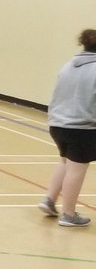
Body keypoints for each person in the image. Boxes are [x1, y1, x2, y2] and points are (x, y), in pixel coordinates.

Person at [41, 28, 96, 228]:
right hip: (82, 128)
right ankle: (69, 214)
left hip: (58, 125)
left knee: (66, 161)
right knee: (77, 169)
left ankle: (49, 199)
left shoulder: (68, 65)